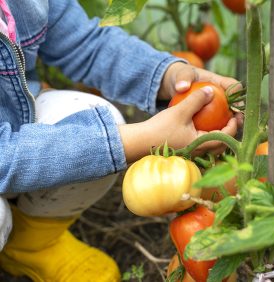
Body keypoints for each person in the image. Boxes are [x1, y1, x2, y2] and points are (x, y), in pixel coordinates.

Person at [0, 0, 241, 281]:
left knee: (99, 119)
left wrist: (167, 75)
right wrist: (132, 140)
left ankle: (33, 244)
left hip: (16, 119)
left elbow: (85, 44)